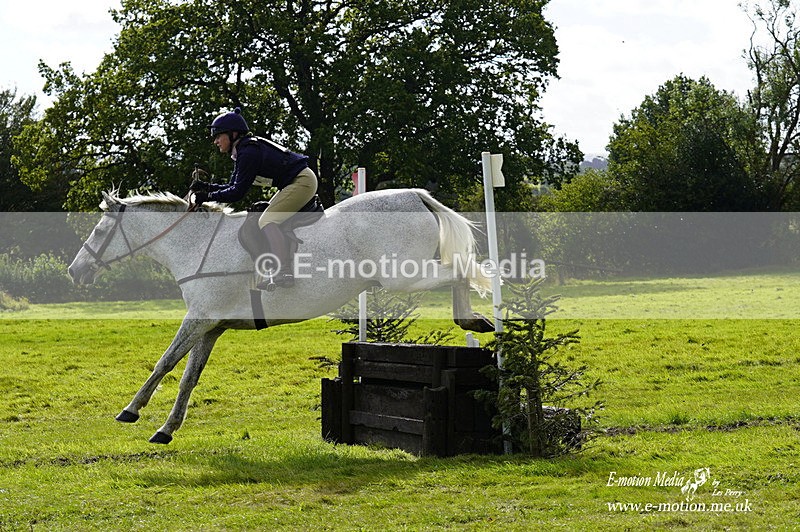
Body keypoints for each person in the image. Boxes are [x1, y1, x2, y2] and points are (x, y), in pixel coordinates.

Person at [190, 107, 318, 289]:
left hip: (301, 182)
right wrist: (207, 188)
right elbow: (232, 186)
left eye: (218, 135)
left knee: (267, 220)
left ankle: (284, 271)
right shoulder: (244, 150)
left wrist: (208, 196)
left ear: (233, 134)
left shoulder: (248, 152)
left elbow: (236, 193)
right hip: (295, 182)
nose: (216, 141)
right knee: (264, 217)